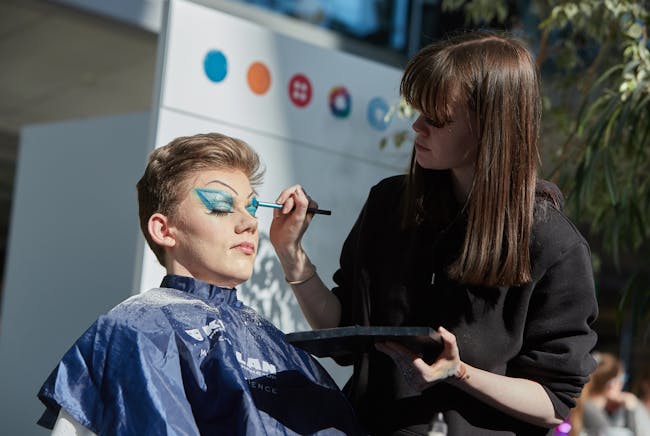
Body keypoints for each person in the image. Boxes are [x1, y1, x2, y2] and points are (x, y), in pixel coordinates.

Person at [269, 30, 599, 435]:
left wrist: (459, 372)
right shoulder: (390, 203)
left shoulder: (553, 245)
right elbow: (345, 332)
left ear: (490, 127)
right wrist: (290, 253)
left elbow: (554, 402)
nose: (416, 126)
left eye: (437, 118)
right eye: (418, 110)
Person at [37, 133, 363, 435]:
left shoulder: (278, 344)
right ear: (164, 230)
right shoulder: (134, 328)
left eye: (252, 207)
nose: (249, 222)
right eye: (221, 207)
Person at [571, 352, 650, 436]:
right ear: (612, 383)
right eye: (623, 378)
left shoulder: (589, 405)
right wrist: (631, 408)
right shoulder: (592, 411)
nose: (622, 384)